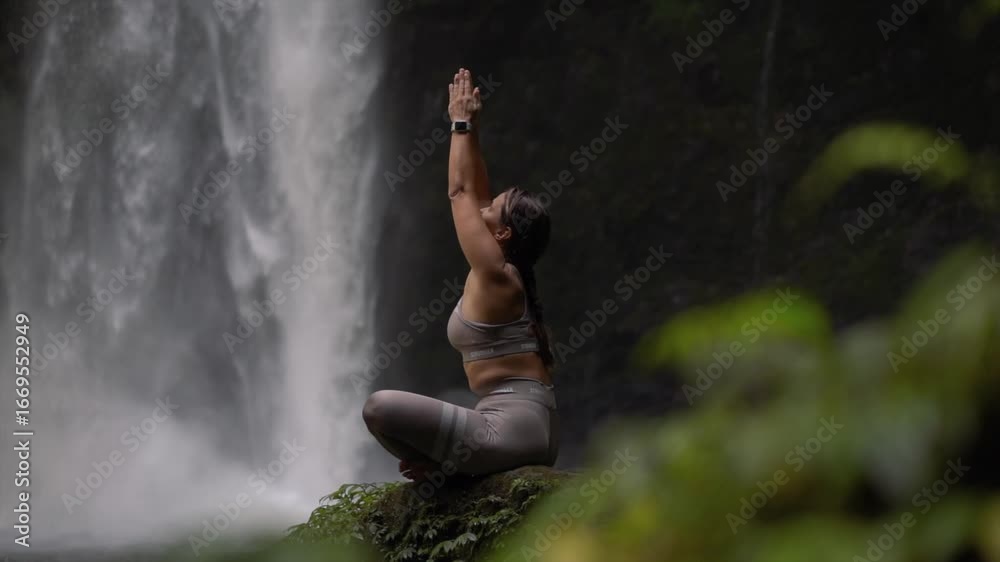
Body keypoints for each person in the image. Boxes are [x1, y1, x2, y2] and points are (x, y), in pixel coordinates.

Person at [362, 68, 558, 481]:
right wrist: (473, 132)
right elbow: (475, 192)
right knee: (389, 412)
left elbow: (460, 193)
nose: (483, 209)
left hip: (513, 428)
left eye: (493, 209)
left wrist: (460, 122)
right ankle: (444, 469)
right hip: (523, 425)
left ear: (502, 234)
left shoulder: (497, 275)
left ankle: (444, 473)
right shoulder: (503, 272)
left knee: (379, 408)